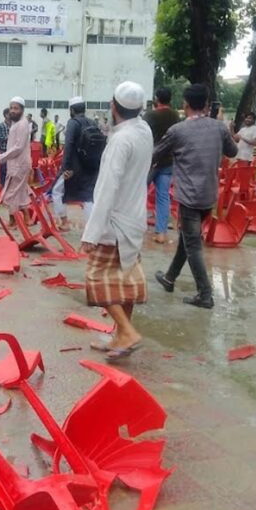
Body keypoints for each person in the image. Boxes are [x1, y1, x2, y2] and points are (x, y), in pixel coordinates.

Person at [80, 81, 153, 360]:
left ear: (113, 106)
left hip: (115, 222)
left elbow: (107, 188)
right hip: (134, 217)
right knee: (124, 282)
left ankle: (128, 333)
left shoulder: (121, 140)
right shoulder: (143, 130)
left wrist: (91, 232)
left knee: (97, 279)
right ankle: (120, 336)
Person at [153, 84, 238, 309]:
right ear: (207, 104)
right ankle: (170, 278)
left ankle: (205, 294)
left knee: (193, 245)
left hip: (189, 197)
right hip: (209, 196)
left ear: (186, 104)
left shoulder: (177, 131)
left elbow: (155, 154)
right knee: (187, 239)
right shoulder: (219, 128)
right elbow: (233, 151)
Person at [54, 96, 103, 231]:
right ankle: (92, 230)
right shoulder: (92, 123)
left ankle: (64, 221)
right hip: (92, 166)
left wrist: (65, 168)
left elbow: (68, 145)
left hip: (74, 168)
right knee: (88, 197)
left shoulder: (73, 123)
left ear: (72, 110)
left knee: (57, 191)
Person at [143, 87, 181, 244]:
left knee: (139, 193)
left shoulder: (150, 115)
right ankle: (161, 233)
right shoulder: (175, 115)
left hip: (151, 160)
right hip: (168, 161)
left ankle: (135, 227)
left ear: (157, 99)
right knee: (163, 196)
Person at [0, 98, 34, 225]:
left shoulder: (22, 124)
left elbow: (18, 147)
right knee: (20, 192)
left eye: (16, 108)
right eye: (11, 108)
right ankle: (27, 219)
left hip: (19, 164)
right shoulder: (17, 123)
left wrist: (2, 157)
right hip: (16, 163)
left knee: (11, 193)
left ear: (22, 110)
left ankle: (12, 221)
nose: (12, 111)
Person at [0, 108, 11, 186]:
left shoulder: (14, 126)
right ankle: (3, 185)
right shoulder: (0, 126)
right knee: (3, 169)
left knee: (11, 169)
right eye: (9, 114)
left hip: (12, 151)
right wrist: (8, 138)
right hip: (3, 150)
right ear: (5, 115)